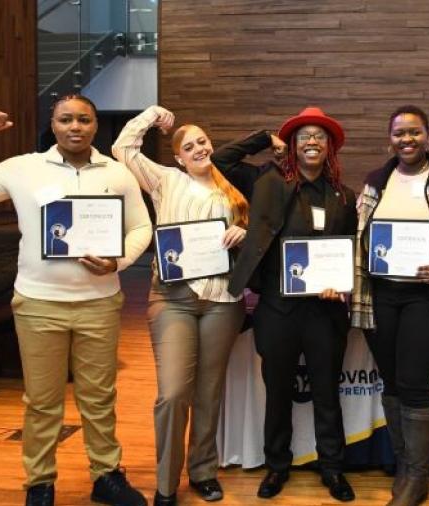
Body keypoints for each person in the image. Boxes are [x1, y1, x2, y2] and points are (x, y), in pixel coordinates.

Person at [0, 95, 151, 506]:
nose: (75, 126)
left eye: (84, 119)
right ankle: (39, 484)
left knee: (99, 397)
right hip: (39, 304)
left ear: (95, 126)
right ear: (53, 125)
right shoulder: (23, 168)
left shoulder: (116, 172)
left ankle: (106, 475)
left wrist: (119, 261)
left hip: (99, 303)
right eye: (66, 119)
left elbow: (141, 228)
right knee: (42, 402)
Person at [111, 105, 250, 506]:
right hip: (173, 299)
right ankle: (166, 483)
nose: (198, 148)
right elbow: (124, 148)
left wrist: (241, 232)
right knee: (173, 394)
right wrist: (152, 115)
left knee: (209, 392)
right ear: (178, 156)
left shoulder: (232, 189)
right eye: (188, 145)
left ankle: (203, 471)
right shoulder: (166, 180)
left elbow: (255, 235)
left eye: (202, 141)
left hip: (223, 300)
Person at [226, 106, 358, 502]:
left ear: (329, 147)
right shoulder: (265, 179)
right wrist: (266, 138)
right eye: (304, 136)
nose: (312, 142)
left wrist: (341, 286)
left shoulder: (343, 196)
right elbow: (221, 159)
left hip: (324, 311)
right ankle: (276, 467)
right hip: (277, 309)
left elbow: (347, 250)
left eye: (320, 137)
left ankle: (333, 469)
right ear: (293, 146)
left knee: (326, 392)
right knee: (278, 392)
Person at [351, 105, 429, 506]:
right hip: (381, 295)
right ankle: (406, 466)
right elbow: (360, 237)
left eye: (415, 132)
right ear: (390, 138)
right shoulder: (376, 181)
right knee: (392, 381)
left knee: (414, 383)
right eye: (399, 133)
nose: (407, 139)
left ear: (428, 135)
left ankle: (417, 478)